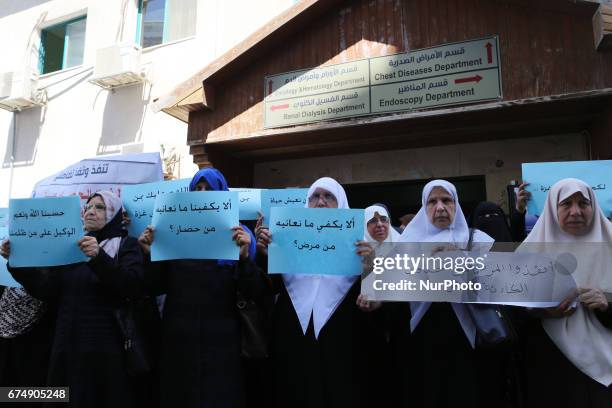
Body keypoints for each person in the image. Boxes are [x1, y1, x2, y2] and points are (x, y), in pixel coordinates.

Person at [1, 191, 151, 408]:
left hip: (106, 345)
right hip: (66, 343)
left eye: (100, 207)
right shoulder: (70, 247)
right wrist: (17, 263)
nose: (91, 211)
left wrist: (98, 258)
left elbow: (131, 285)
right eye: (88, 207)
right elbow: (47, 289)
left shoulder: (126, 245)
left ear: (114, 214)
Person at [138, 167, 266, 408]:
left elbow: (255, 292)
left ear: (222, 193)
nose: (203, 193)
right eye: (198, 189)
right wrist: (149, 255)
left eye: (209, 189)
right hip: (178, 343)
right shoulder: (171, 232)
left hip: (223, 344)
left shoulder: (240, 235)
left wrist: (244, 258)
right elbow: (154, 286)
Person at [255, 177, 378, 408]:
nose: (321, 203)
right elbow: (263, 291)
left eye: (328, 196)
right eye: (315, 197)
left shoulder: (364, 248)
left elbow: (376, 309)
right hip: (292, 348)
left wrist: (371, 267)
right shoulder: (284, 245)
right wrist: (264, 256)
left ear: (340, 203)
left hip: (342, 352)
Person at [396, 179, 510, 408]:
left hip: (470, 333)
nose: (440, 207)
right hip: (423, 335)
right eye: (432, 201)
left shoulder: (478, 241)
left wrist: (461, 261)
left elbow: (500, 284)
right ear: (424, 206)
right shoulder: (405, 244)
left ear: (456, 205)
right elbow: (393, 291)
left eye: (446, 200)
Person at [520, 178, 612, 407]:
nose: (575, 211)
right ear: (553, 208)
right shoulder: (529, 253)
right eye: (566, 204)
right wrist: (535, 312)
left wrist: (607, 303)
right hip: (552, 367)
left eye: (583, 203)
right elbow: (511, 314)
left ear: (594, 207)